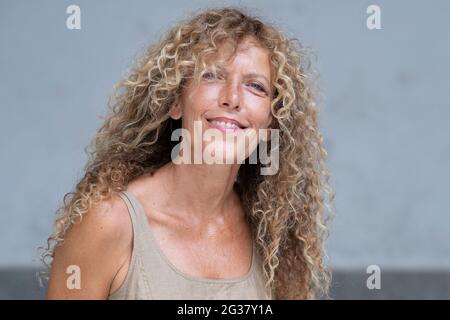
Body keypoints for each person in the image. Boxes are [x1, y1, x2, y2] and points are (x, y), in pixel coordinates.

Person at [42, 6, 333, 300]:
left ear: (271, 121)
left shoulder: (271, 232)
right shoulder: (109, 223)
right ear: (175, 101)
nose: (232, 98)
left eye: (255, 86)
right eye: (212, 75)